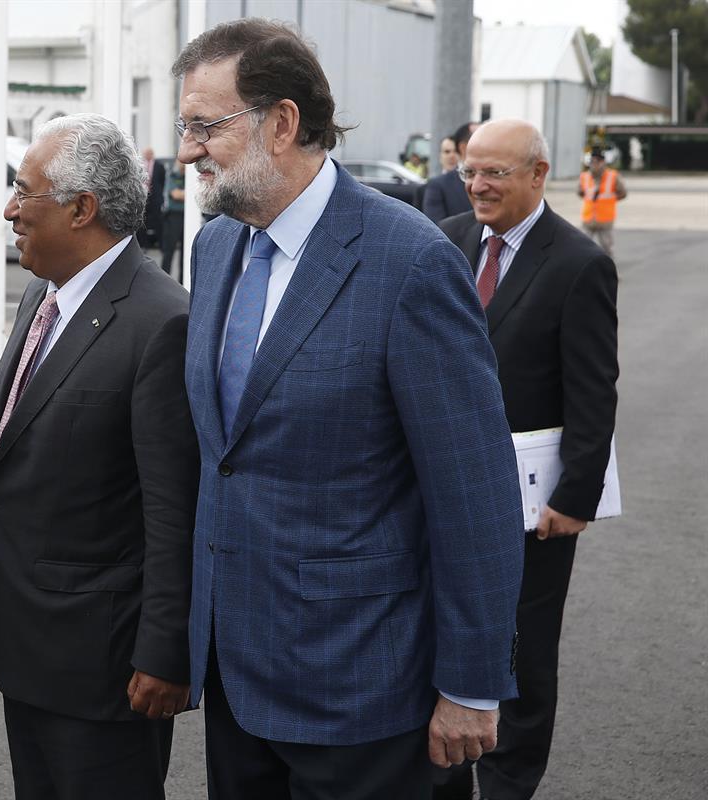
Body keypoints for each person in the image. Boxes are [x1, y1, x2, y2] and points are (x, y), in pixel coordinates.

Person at [170, 19, 524, 799]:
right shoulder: (219, 248)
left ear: (283, 122)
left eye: (204, 126)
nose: (187, 150)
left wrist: (472, 683)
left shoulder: (411, 262)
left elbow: (475, 493)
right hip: (236, 681)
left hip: (366, 690)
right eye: (183, 127)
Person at [0, 113, 199, 800]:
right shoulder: (44, 291)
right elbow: (46, 423)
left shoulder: (162, 321)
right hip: (30, 648)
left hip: (104, 666)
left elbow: (175, 508)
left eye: (22, 191)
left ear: (82, 209)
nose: (8, 209)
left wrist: (167, 653)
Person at [435, 120, 619, 800]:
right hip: (441, 489)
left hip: (531, 503)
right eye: (471, 172)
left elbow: (593, 390)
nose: (478, 185)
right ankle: (444, 776)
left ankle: (510, 782)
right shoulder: (445, 241)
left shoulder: (577, 263)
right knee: (444, 633)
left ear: (539, 175)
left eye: (496, 174)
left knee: (525, 645)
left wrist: (576, 497)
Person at [423, 122, 478, 223]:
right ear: (463, 147)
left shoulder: (496, 179)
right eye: (481, 141)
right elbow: (436, 227)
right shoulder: (439, 185)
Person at [577, 146, 626, 258]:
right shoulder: (584, 176)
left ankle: (609, 274)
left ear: (603, 162)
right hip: (588, 218)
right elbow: (580, 192)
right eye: (592, 161)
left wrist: (611, 200)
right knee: (583, 247)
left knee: (606, 248)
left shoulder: (613, 176)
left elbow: (623, 193)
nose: (594, 164)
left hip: (605, 219)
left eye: (597, 161)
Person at [160, 160, 186, 281]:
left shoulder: (189, 178)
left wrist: (183, 194)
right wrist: (185, 194)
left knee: (185, 252)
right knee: (169, 250)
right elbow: (175, 194)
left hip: (184, 216)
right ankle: (163, 279)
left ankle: (182, 279)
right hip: (173, 216)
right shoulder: (173, 175)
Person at [139, 146, 167, 249]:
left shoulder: (159, 166)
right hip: (143, 197)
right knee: (142, 222)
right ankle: (143, 244)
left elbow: (162, 181)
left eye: (149, 153)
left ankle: (161, 244)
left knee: (158, 221)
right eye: (146, 153)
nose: (147, 155)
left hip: (155, 198)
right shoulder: (140, 165)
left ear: (152, 154)